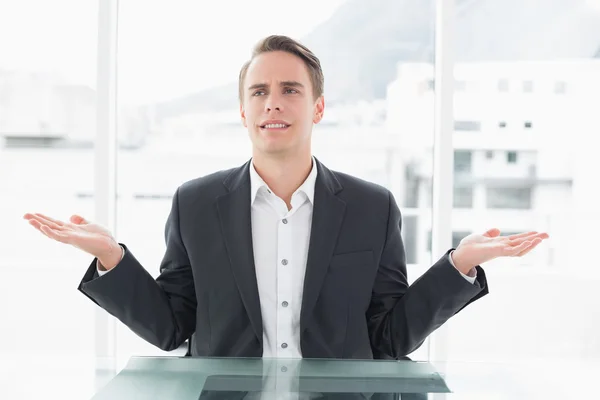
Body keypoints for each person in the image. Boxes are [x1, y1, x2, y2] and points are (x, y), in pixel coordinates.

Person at [23, 35, 548, 360]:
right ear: (243, 111)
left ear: (317, 108)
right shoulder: (194, 203)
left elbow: (389, 338)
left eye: (290, 90)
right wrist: (112, 259)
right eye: (259, 92)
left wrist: (458, 264)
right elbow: (172, 328)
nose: (273, 103)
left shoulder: (373, 206)